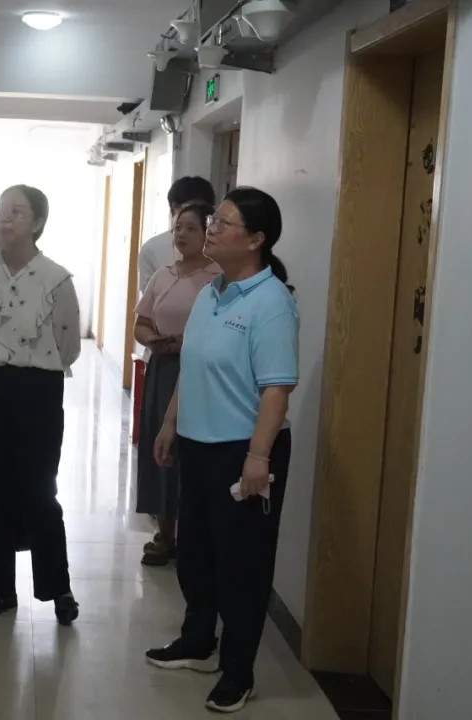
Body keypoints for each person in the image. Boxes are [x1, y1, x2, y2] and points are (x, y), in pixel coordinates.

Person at [144, 187, 298, 714]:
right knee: (196, 553)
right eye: (214, 220)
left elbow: (276, 389)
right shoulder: (213, 291)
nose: (211, 228)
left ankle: (238, 670)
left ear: (255, 239)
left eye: (223, 223)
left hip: (243, 451)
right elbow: (193, 365)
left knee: (241, 564)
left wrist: (258, 458)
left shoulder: (271, 302)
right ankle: (197, 641)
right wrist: (170, 424)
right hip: (199, 443)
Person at [0, 185, 81, 624]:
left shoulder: (56, 279)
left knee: (40, 491)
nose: (6, 218)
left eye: (17, 211)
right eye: (1, 209)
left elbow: (68, 346)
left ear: (38, 223)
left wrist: (29, 366)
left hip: (37, 391)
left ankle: (58, 587)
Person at [133, 202, 220, 566]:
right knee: (160, 447)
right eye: (177, 228)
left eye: (190, 227)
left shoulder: (218, 278)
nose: (181, 234)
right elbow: (140, 323)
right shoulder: (163, 276)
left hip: (200, 372)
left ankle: (193, 535)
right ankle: (165, 532)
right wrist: (153, 340)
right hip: (163, 370)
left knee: (191, 452)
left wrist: (189, 342)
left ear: (207, 232)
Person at [137, 176, 218, 293]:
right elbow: (150, 299)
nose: (200, 214)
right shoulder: (152, 249)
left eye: (206, 209)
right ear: (175, 207)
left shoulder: (221, 246)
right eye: (193, 207)